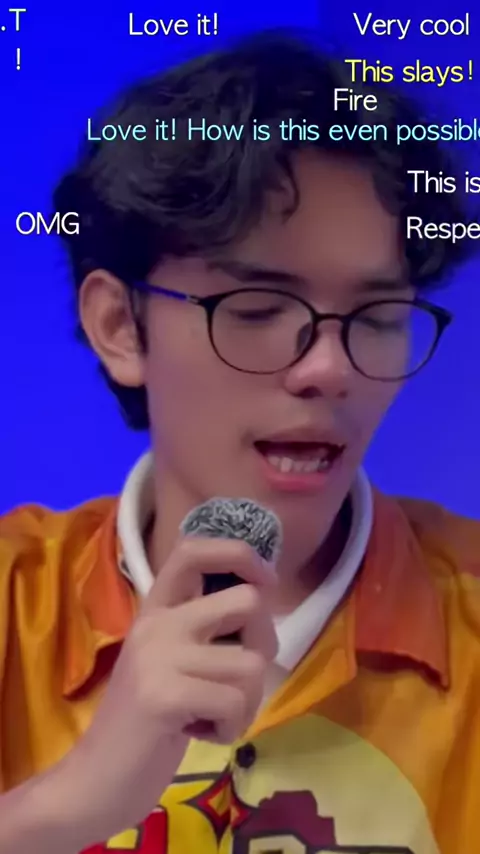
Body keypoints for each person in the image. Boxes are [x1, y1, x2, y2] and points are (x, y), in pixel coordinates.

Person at [1, 29, 479, 854]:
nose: (330, 369)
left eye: (378, 317)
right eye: (259, 310)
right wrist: (70, 804)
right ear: (119, 325)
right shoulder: (14, 601)